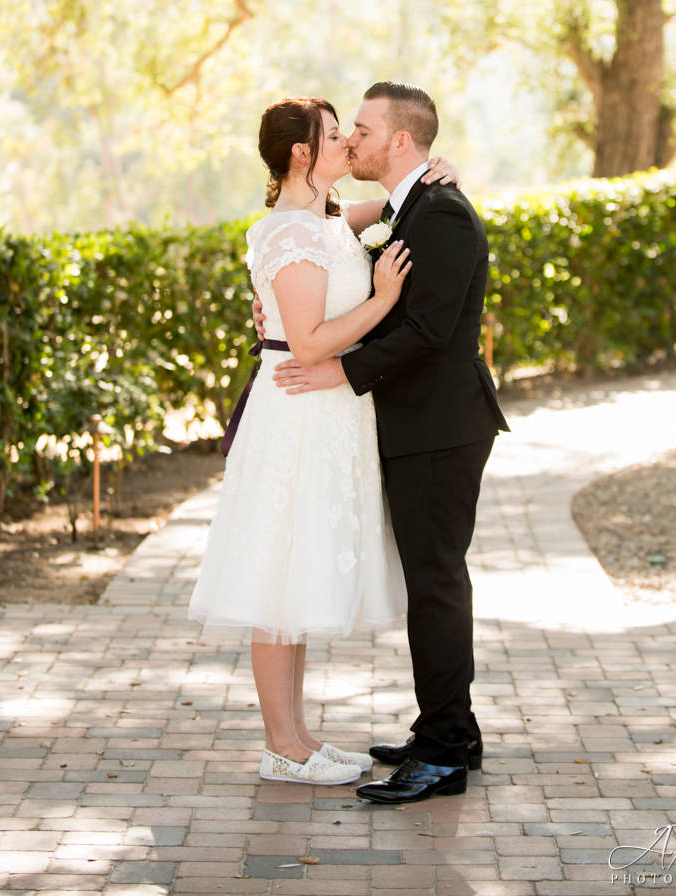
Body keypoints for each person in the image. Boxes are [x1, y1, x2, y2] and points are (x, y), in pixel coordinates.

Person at [188, 95, 459, 787]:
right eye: (335, 136)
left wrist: (431, 175)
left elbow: (388, 211)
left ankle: (300, 737)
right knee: (278, 576)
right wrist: (381, 302)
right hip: (299, 415)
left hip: (328, 416)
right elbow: (307, 343)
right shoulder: (289, 233)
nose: (346, 144)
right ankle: (282, 745)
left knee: (299, 576)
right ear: (301, 154)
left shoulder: (327, 220)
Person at [274, 81, 510, 804]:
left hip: (440, 429)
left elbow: (427, 332)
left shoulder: (439, 213)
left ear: (401, 142)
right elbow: (311, 228)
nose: (355, 141)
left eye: (365, 130)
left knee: (435, 586)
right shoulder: (412, 206)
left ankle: (442, 752)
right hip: (421, 426)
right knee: (432, 583)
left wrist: (337, 371)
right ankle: (452, 728)